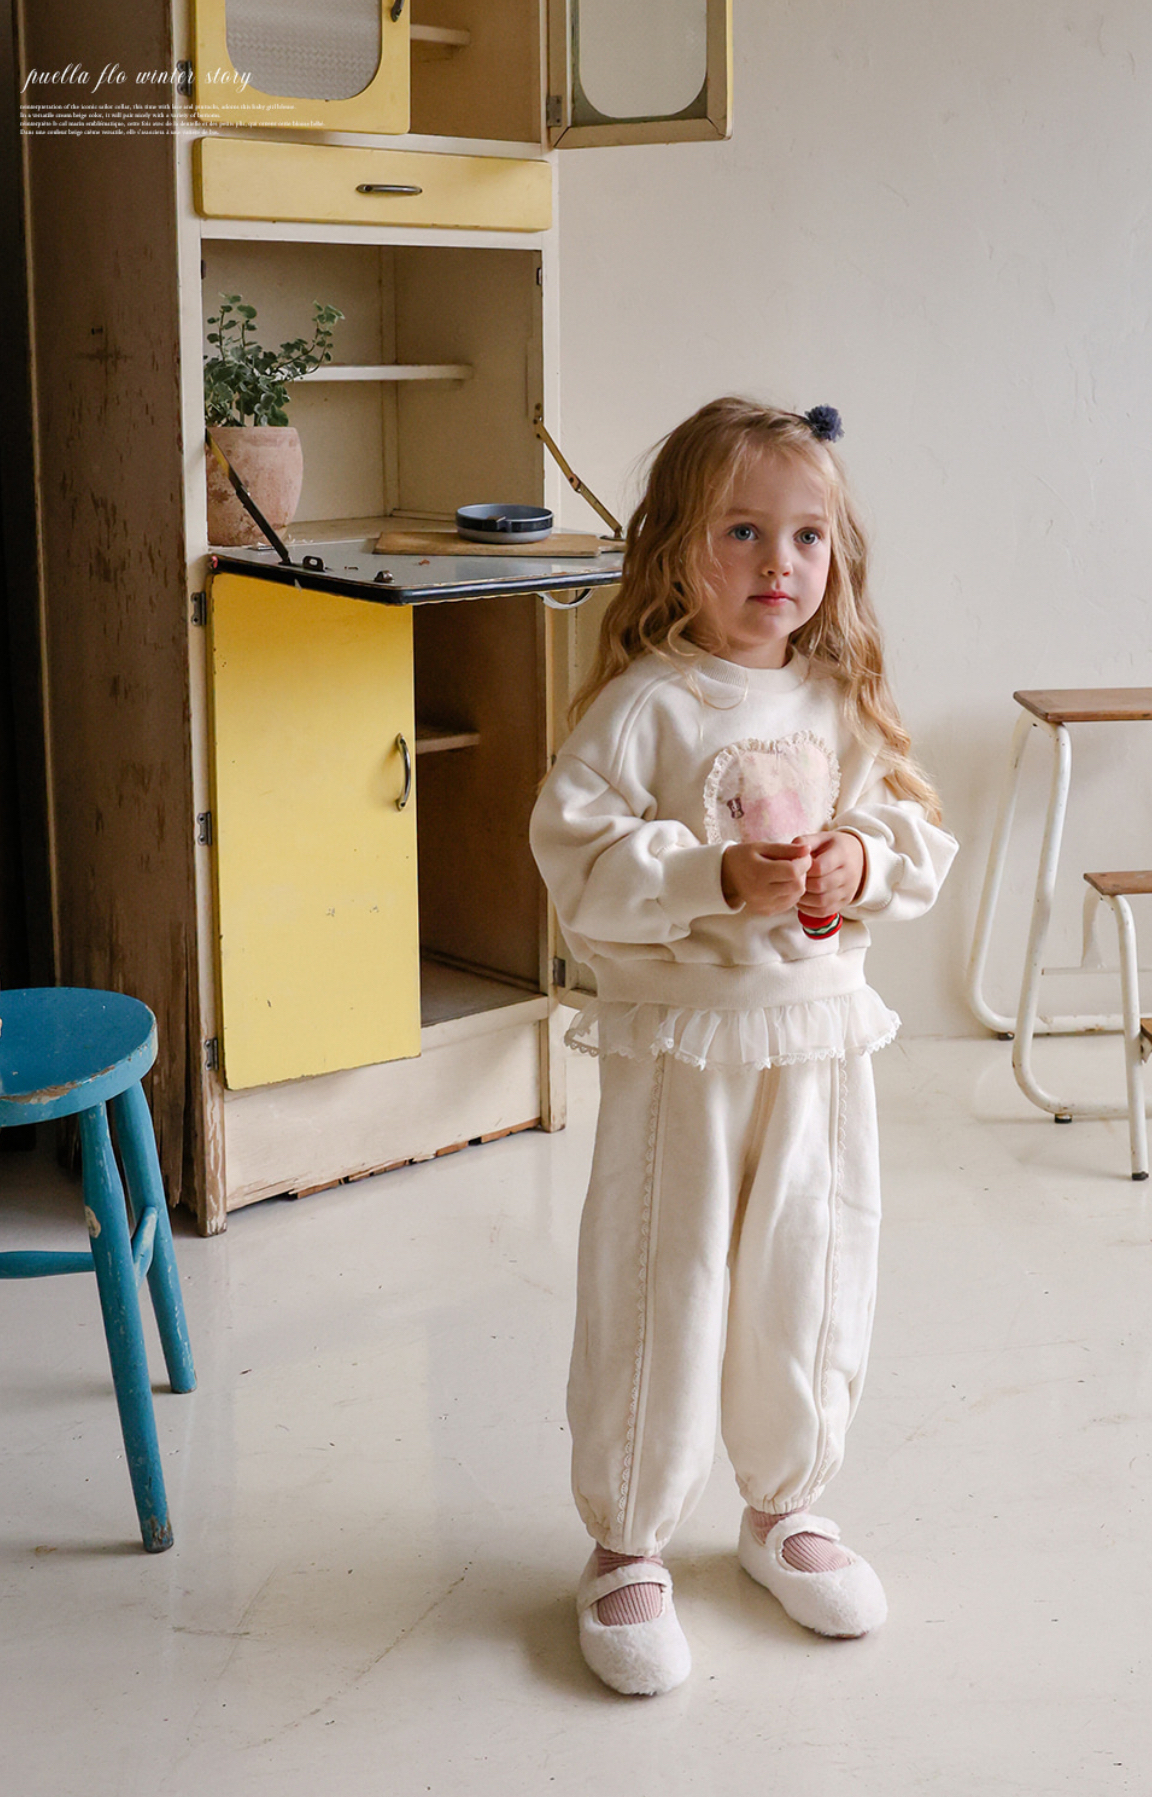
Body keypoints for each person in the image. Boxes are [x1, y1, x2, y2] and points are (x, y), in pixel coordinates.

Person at [529, 397, 957, 1696]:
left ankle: (786, 1504)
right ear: (675, 546)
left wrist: (861, 858)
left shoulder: (841, 700)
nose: (782, 562)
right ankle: (627, 1538)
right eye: (744, 531)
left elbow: (919, 838)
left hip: (817, 1043)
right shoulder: (646, 709)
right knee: (661, 1279)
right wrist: (712, 873)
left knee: (809, 1264)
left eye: (808, 536)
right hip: (684, 1054)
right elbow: (578, 858)